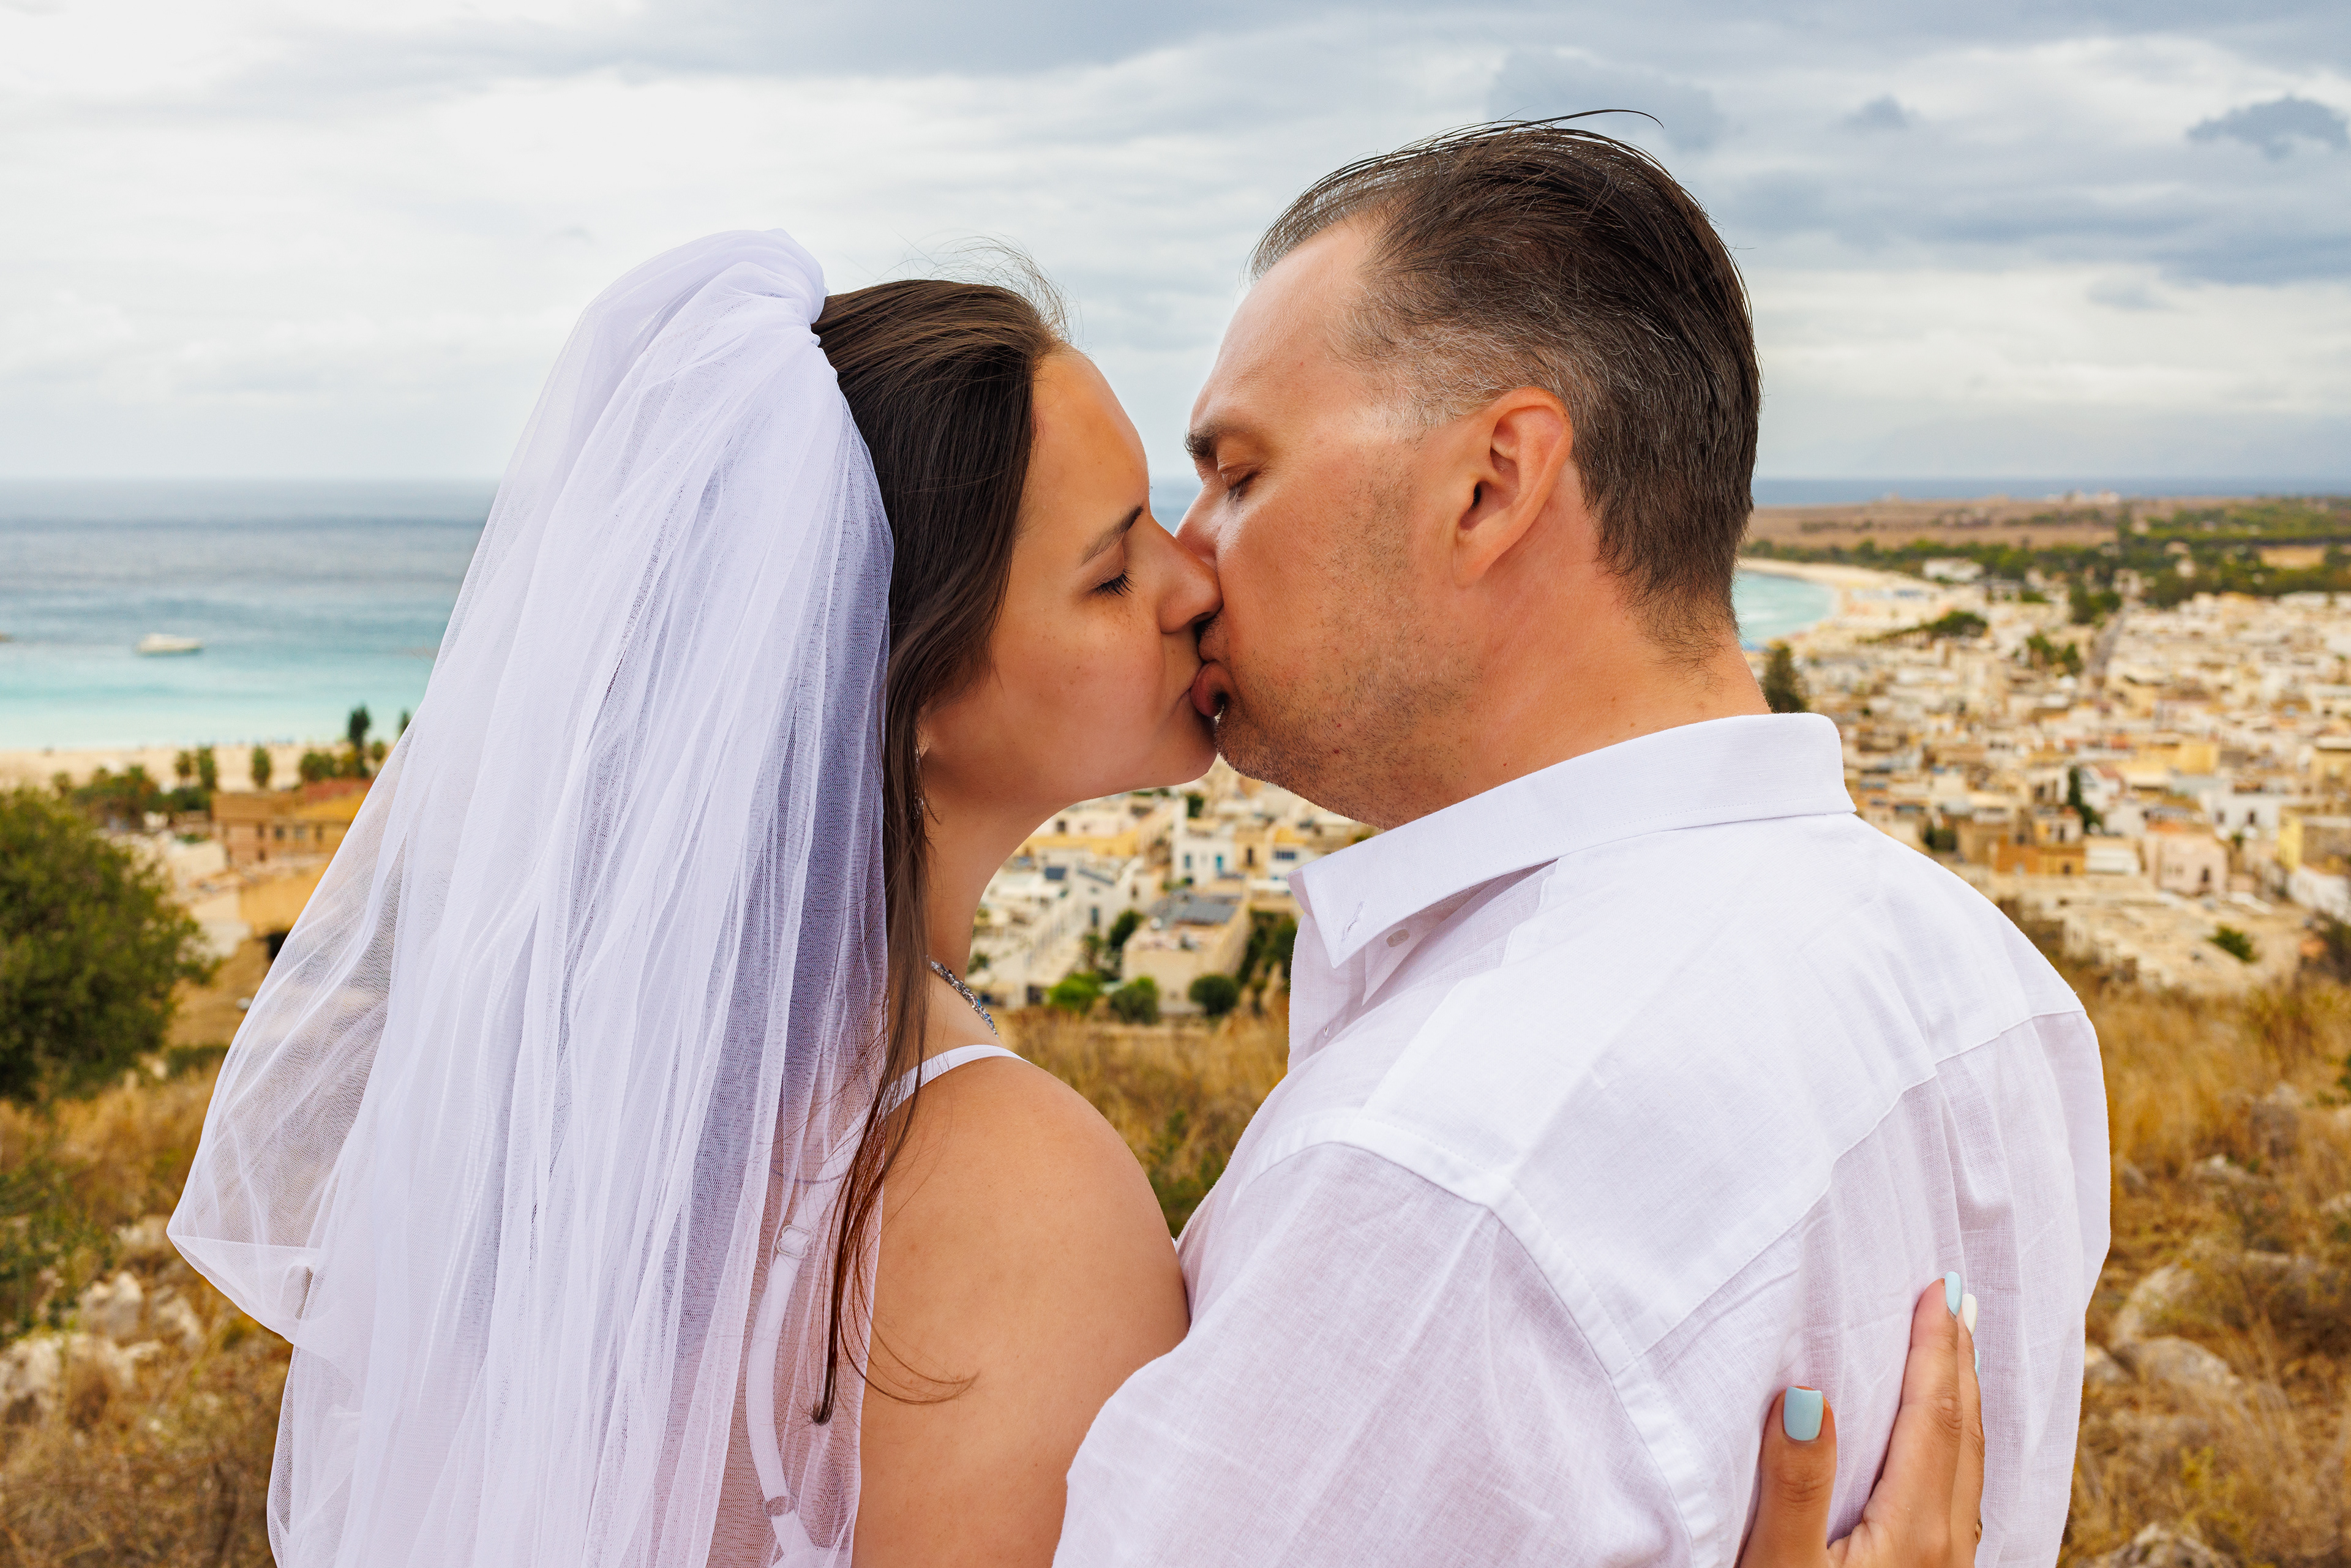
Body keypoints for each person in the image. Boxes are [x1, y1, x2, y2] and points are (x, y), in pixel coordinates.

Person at [171, 225, 1980, 1568]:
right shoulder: (1006, 1195)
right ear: (905, 686)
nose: (1197, 582)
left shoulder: (568, 1121)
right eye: (1115, 573)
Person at [1053, 123, 2107, 1566]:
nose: (1187, 561)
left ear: (1494, 483)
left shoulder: (1441, 1176)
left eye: (1239, 475)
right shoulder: (2000, 994)